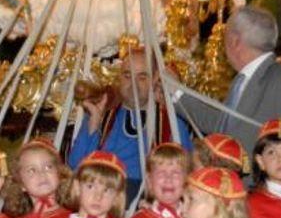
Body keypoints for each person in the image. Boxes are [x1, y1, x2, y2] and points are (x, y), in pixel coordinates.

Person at [176, 5, 281, 155]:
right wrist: (175, 93)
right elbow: (221, 123)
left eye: (225, 37)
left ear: (235, 41)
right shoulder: (241, 81)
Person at [69, 47, 193, 204]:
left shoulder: (170, 119)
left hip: (148, 200)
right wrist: (94, 122)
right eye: (127, 76)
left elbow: (185, 172)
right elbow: (75, 165)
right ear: (119, 78)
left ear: (156, 80)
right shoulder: (103, 113)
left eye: (142, 77)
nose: (133, 84)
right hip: (102, 195)